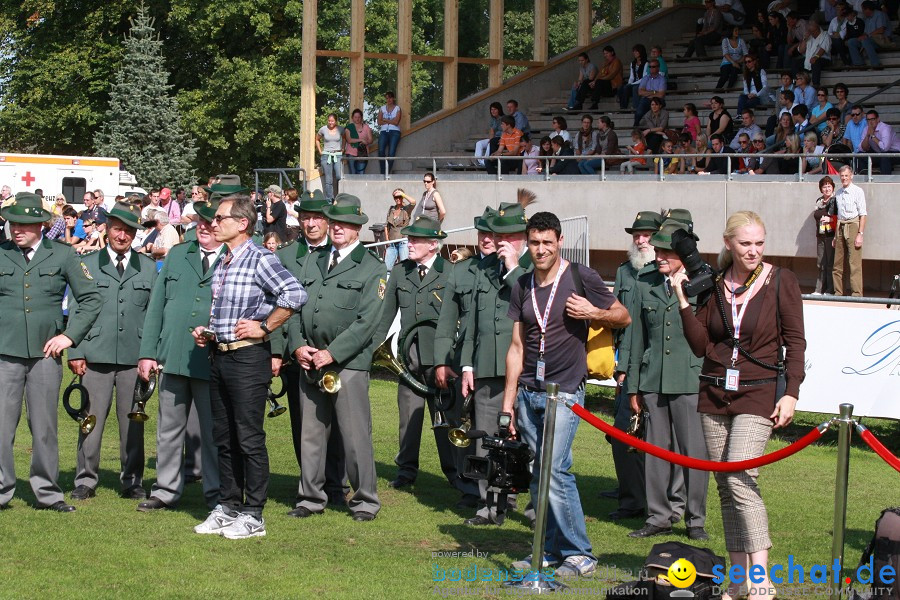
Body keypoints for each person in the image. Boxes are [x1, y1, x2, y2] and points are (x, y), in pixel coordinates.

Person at [675, 211, 806, 600]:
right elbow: (700, 346)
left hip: (760, 392)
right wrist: (683, 299)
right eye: (745, 243)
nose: (753, 250)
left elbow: (795, 342)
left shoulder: (782, 280)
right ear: (728, 243)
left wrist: (792, 391)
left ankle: (762, 576)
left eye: (759, 243)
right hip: (714, 391)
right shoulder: (714, 284)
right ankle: (738, 579)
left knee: (740, 477)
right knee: (725, 487)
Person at [505, 211, 629, 579]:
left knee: (554, 470)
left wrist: (593, 311)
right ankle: (549, 550)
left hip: (565, 391)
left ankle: (580, 553)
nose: (541, 250)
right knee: (537, 471)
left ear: (559, 241)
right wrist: (507, 403)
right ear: (527, 244)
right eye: (534, 243)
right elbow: (516, 347)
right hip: (528, 392)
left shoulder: (580, 276)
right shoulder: (522, 284)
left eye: (547, 242)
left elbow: (623, 315)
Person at [190, 195, 305, 539]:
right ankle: (228, 506)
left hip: (248, 358)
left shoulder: (260, 258)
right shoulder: (224, 260)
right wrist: (207, 332)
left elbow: (295, 294)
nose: (213, 222)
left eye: (220, 217)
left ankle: (253, 513)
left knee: (248, 438)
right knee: (223, 437)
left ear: (242, 223)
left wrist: (265, 326)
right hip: (219, 354)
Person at [137, 184, 243, 514]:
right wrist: (147, 352)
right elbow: (156, 305)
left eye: (211, 224)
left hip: (213, 359)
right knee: (168, 429)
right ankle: (166, 489)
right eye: (200, 223)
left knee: (213, 432)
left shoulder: (234, 259)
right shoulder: (178, 254)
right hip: (173, 355)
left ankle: (215, 492)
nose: (205, 229)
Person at [286, 193, 386, 522]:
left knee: (355, 436)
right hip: (310, 361)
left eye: (348, 223)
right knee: (311, 435)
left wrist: (332, 353)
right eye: (337, 222)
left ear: (358, 228)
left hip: (348, 364)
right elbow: (295, 308)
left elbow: (367, 322)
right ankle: (310, 497)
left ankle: (365, 501)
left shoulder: (372, 268)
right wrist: (298, 346)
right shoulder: (313, 261)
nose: (340, 228)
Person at [0, 192, 102, 512]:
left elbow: (91, 299)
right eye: (13, 222)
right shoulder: (1, 253)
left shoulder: (62, 255)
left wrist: (69, 337)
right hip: (5, 352)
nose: (17, 229)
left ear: (43, 225)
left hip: (45, 356)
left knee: (44, 427)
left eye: (25, 224)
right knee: (2, 426)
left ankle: (47, 493)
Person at [373, 216, 479, 507]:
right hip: (409, 362)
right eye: (409, 239)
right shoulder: (399, 272)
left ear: (434, 245)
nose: (409, 243)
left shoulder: (450, 273)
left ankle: (456, 474)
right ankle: (406, 471)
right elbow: (384, 317)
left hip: (442, 361)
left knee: (445, 420)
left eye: (416, 240)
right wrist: (372, 350)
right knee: (408, 418)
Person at [626, 214, 710, 541]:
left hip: (690, 380)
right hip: (653, 380)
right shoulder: (645, 281)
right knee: (655, 452)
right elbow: (636, 341)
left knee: (693, 453)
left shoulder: (703, 283)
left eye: (667, 253)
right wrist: (633, 386)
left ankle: (695, 519)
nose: (659, 257)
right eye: (657, 252)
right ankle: (658, 516)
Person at [66, 202, 157, 502]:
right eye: (118, 228)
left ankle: (132, 480)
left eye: (129, 230)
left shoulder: (146, 267)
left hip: (135, 356)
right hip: (95, 354)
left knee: (134, 420)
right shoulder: (88, 264)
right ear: (108, 229)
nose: (122, 235)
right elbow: (77, 309)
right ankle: (85, 479)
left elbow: (155, 313)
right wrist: (76, 351)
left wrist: (151, 354)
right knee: (90, 420)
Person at [458, 194, 536, 527]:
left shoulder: (535, 267)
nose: (502, 241)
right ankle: (489, 504)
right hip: (489, 365)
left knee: (531, 441)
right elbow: (474, 320)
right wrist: (467, 364)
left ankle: (535, 507)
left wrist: (515, 266)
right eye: (498, 234)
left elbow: (533, 306)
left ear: (524, 236)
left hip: (528, 369)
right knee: (486, 440)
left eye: (509, 235)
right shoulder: (484, 268)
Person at [273, 189, 349, 511]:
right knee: (304, 426)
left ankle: (337, 485)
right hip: (297, 356)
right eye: (305, 217)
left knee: (341, 426)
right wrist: (283, 352)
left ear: (328, 221)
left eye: (317, 217)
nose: (311, 223)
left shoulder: (338, 254)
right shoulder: (285, 256)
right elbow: (277, 307)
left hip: (335, 356)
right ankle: (309, 484)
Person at [433, 207, 498, 520]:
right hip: (463, 361)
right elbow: (446, 322)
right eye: (482, 233)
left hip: (501, 361)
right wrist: (442, 362)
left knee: (498, 433)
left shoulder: (511, 271)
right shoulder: (460, 271)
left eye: (492, 234)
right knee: (463, 427)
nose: (487, 239)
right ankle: (469, 487)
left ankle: (502, 493)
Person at [608, 211, 663, 521]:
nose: (641, 240)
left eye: (647, 235)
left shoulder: (664, 271)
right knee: (621, 434)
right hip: (626, 364)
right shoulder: (625, 271)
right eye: (637, 235)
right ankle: (630, 497)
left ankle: (655, 501)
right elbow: (617, 319)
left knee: (653, 437)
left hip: (654, 365)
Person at [833, 165, 866, 296]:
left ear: (851, 176)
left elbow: (863, 214)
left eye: (846, 175)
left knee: (854, 262)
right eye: (842, 176)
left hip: (853, 225)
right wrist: (836, 236)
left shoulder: (858, 191)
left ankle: (857, 294)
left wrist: (860, 234)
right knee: (837, 262)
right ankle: (838, 292)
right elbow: (838, 215)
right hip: (840, 226)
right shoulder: (838, 193)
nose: (844, 178)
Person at [813, 176, 837, 295]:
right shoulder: (819, 201)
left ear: (833, 188)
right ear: (821, 189)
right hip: (820, 235)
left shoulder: (836, 200)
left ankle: (829, 289)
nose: (827, 189)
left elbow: (838, 217)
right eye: (824, 186)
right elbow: (817, 215)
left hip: (831, 236)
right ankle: (819, 289)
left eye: (829, 186)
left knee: (830, 264)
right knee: (820, 263)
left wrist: (830, 219)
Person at [384, 188, 416, 271]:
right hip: (391, 243)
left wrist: (403, 195)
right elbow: (386, 226)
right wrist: (387, 240)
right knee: (387, 268)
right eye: (395, 197)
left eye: (400, 197)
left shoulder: (406, 209)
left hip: (403, 241)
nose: (398, 199)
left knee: (404, 266)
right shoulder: (391, 209)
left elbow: (413, 202)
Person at [860, 109, 900, 174]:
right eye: (868, 120)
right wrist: (867, 136)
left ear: (878, 119)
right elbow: (862, 148)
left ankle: (884, 180)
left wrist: (873, 136)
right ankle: (863, 178)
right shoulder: (866, 129)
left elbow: (885, 148)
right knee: (860, 155)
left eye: (872, 119)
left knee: (884, 157)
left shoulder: (885, 128)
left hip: (896, 153)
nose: (870, 122)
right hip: (879, 153)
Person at [317, 114, 344, 201]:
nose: (330, 122)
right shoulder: (323, 129)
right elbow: (317, 139)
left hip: (337, 155)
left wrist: (343, 149)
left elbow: (345, 138)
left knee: (339, 176)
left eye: (332, 121)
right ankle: (329, 199)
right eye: (329, 121)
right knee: (328, 179)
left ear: (336, 121)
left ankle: (340, 197)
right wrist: (320, 151)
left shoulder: (340, 129)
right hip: (326, 155)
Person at [633, 59, 666, 127]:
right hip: (647, 99)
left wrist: (647, 93)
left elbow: (661, 94)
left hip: (657, 99)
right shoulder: (645, 78)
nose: (651, 68)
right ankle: (636, 126)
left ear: (658, 68)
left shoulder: (662, 79)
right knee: (639, 113)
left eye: (653, 67)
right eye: (650, 67)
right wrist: (654, 92)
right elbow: (640, 92)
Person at [377, 92, 402, 175]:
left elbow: (396, 122)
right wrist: (390, 121)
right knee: (381, 151)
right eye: (387, 98)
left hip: (394, 131)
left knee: (391, 152)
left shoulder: (397, 108)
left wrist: (386, 120)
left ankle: (387, 171)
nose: (389, 100)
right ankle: (383, 171)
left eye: (390, 98)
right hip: (384, 131)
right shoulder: (382, 108)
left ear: (393, 98)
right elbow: (379, 122)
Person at [344, 108, 373, 175]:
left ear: (361, 118)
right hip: (351, 153)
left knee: (361, 173)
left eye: (359, 117)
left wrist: (366, 142)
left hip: (362, 153)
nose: (357, 119)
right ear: (352, 118)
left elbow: (371, 140)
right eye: (355, 117)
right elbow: (349, 140)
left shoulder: (366, 127)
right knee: (353, 173)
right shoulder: (349, 127)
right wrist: (361, 140)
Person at [474, 102, 504, 166]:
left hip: (501, 139)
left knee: (490, 143)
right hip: (494, 138)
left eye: (495, 109)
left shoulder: (504, 118)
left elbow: (506, 131)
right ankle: (479, 161)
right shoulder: (493, 119)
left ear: (499, 109)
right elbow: (491, 131)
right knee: (479, 143)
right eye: (491, 109)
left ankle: (485, 162)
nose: (493, 111)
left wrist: (493, 141)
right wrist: (490, 140)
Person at [618, 45, 648, 110]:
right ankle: (623, 107)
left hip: (642, 83)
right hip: (634, 83)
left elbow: (644, 77)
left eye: (636, 51)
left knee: (635, 88)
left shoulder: (646, 63)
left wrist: (632, 84)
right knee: (622, 87)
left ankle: (636, 107)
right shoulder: (633, 63)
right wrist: (629, 84)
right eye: (634, 51)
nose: (634, 53)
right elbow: (632, 76)